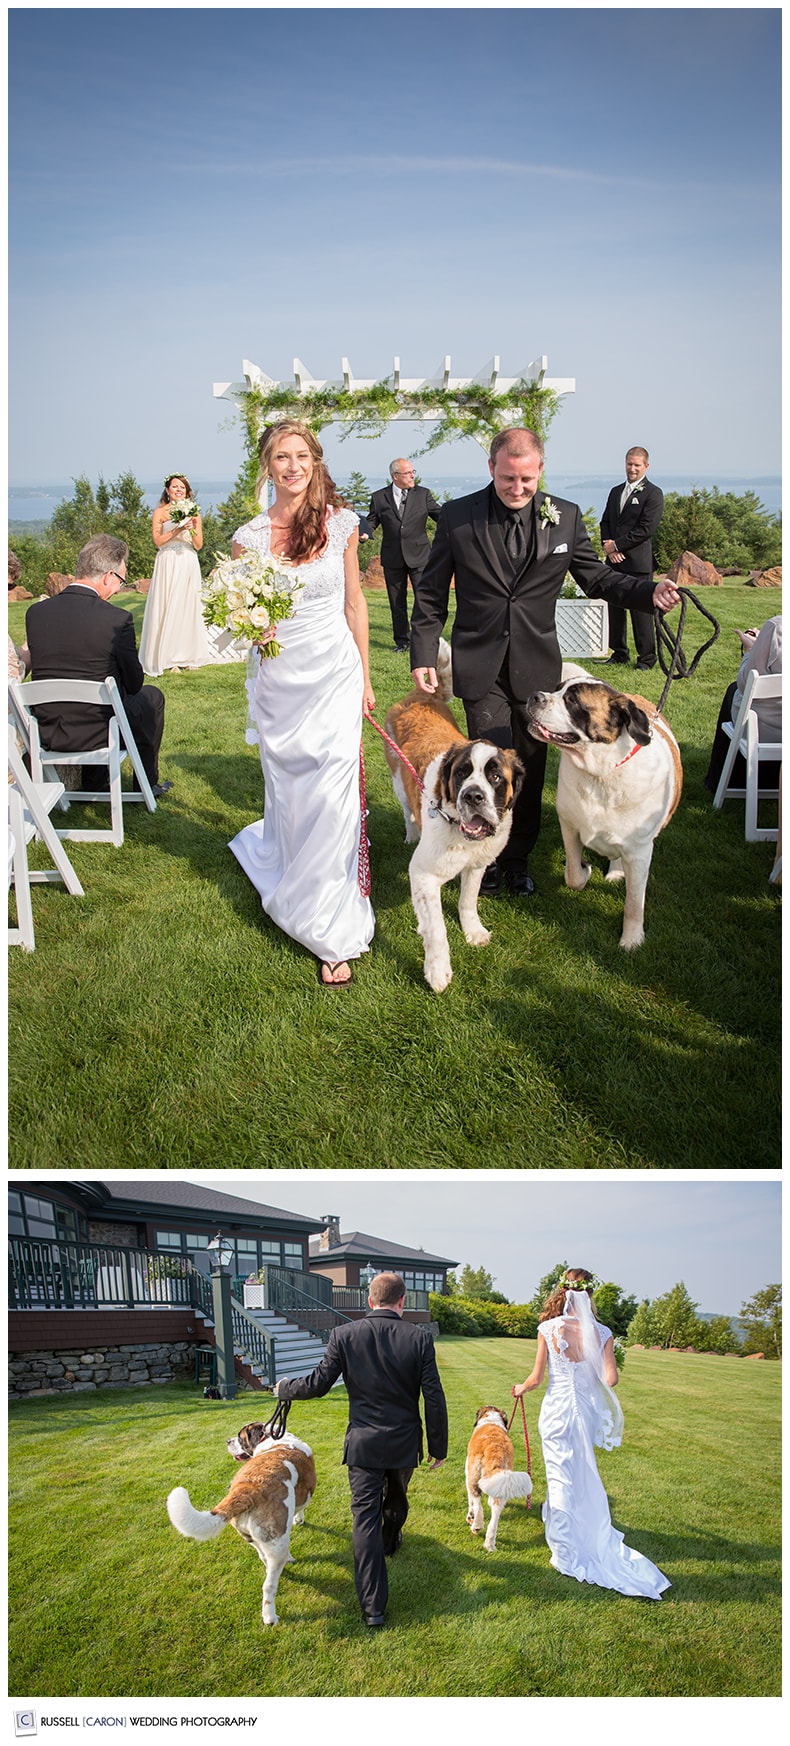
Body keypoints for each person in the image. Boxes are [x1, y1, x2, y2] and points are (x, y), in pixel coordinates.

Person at [409, 427, 680, 897]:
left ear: (540, 470)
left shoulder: (567, 517)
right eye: (508, 478)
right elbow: (430, 592)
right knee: (487, 762)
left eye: (528, 480)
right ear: (491, 467)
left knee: (527, 773)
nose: (518, 489)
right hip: (481, 665)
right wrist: (423, 651)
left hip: (537, 671)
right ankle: (484, 860)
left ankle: (517, 860)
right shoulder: (456, 517)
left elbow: (597, 579)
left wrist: (648, 591)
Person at [228, 420, 375, 989]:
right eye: (280, 457)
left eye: (301, 456)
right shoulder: (249, 537)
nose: (291, 466)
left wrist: (364, 675)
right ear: (268, 466)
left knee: (335, 789)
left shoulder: (342, 524)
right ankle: (287, 863)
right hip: (281, 681)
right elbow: (243, 612)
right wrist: (252, 627)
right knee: (292, 792)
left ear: (315, 461)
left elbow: (356, 603)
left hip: (335, 672)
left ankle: (331, 927)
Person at [274, 1271, 448, 1627]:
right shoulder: (419, 1338)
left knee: (364, 1518)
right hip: (402, 1444)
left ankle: (373, 1608)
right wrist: (438, 1446)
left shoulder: (344, 1334)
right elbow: (434, 1396)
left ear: (370, 1301)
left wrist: (285, 1387)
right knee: (396, 1500)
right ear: (402, 1302)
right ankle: (387, 1549)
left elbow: (317, 1384)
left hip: (364, 1444)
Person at [513, 1268, 670, 1599]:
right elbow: (610, 1380)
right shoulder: (603, 1333)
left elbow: (536, 1378)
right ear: (588, 1295)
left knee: (559, 1473)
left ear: (563, 1292)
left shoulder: (547, 1328)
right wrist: (599, 1364)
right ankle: (582, 1532)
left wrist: (519, 1389)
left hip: (555, 1413)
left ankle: (564, 1549)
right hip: (583, 1413)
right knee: (584, 1472)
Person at [24, 534, 171, 795]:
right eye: (121, 581)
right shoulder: (116, 619)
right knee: (151, 698)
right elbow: (135, 683)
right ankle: (146, 785)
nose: (117, 590)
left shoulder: (36, 613)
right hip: (100, 732)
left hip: (48, 730)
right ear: (108, 576)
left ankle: (95, 783)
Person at [139, 474, 216, 676]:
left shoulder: (194, 513)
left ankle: (189, 655)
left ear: (187, 491)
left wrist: (190, 529)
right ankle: (169, 657)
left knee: (187, 606)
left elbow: (198, 545)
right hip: (168, 560)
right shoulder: (160, 512)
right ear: (167, 490)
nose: (178, 490)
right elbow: (158, 541)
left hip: (188, 560)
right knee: (168, 604)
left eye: (182, 487)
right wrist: (177, 529)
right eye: (175, 487)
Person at [600, 447, 665, 670]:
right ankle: (619, 653)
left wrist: (617, 545)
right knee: (614, 609)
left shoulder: (653, 494)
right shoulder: (615, 491)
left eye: (637, 465)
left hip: (638, 564)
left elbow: (646, 529)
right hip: (614, 563)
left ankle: (646, 658)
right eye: (629, 464)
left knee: (641, 613)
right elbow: (605, 522)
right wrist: (608, 547)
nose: (632, 468)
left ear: (646, 466)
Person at [368, 459, 441, 651]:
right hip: (392, 558)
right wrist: (361, 534)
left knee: (423, 600)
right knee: (396, 603)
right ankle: (402, 641)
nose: (412, 475)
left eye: (412, 471)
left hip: (420, 556)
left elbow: (440, 516)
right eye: (408, 473)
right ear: (395, 477)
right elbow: (371, 523)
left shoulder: (423, 494)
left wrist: (460, 525)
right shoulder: (379, 497)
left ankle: (423, 640)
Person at [704, 614, 782, 793]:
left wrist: (750, 651)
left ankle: (724, 780)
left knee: (734, 691)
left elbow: (747, 682)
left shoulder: (777, 627)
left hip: (767, 730)